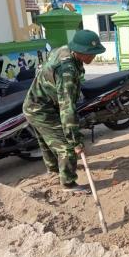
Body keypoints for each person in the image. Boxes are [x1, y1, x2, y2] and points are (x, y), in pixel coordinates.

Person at [23, 30, 105, 192]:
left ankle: (54, 172)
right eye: (91, 54)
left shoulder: (64, 51)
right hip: (41, 109)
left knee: (48, 142)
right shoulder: (66, 71)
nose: (93, 57)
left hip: (37, 104)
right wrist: (75, 141)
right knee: (66, 147)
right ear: (79, 52)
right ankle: (68, 183)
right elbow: (67, 107)